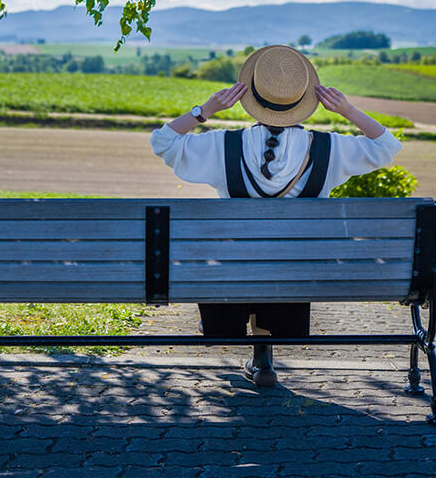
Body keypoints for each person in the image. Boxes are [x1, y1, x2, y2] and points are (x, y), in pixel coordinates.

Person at [150, 43, 402, 388]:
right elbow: (388, 147)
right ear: (305, 102)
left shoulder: (222, 145)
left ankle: (247, 343)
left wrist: (205, 109)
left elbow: (163, 142)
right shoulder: (331, 148)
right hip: (297, 274)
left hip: (234, 274)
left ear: (248, 96)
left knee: (240, 256)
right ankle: (263, 356)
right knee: (279, 259)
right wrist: (348, 110)